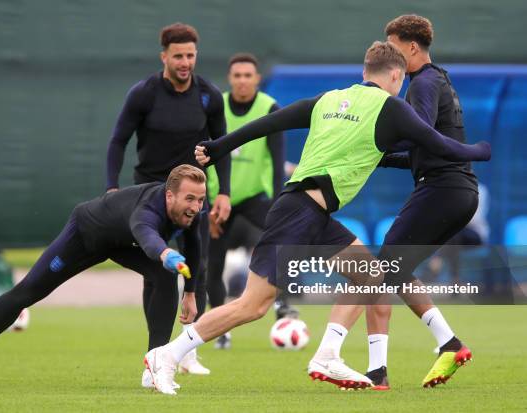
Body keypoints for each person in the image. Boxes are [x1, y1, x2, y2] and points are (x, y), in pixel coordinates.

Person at [142, 41, 491, 395]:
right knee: (253, 305)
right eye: (401, 81)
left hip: (309, 211)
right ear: (397, 75)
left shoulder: (330, 99)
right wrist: (477, 151)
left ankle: (327, 355)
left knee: (371, 275)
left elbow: (271, 122)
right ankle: (168, 355)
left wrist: (221, 146)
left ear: (364, 72)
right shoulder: (391, 107)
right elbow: (436, 142)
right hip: (298, 212)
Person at [0, 165, 205, 386]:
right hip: (86, 234)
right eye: (190, 198)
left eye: (201, 200)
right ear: (170, 196)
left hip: (120, 244)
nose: (195, 206)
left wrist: (190, 292)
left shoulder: (190, 215)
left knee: (165, 276)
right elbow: (145, 234)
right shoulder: (148, 208)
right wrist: (164, 253)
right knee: (27, 292)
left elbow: (195, 250)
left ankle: (155, 366)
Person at [353, 14, 482, 389]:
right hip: (456, 190)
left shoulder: (421, 84)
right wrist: (376, 157)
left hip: (443, 189)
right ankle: (449, 343)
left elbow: (417, 135)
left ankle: (378, 372)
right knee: (393, 271)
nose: (388, 56)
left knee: (378, 275)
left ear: (411, 48)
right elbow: (420, 147)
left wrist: (369, 143)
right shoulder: (436, 78)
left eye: (393, 48)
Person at [105, 22, 231, 375]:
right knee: (157, 273)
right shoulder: (144, 94)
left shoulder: (209, 96)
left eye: (191, 55)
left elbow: (222, 148)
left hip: (192, 196)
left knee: (198, 267)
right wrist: (112, 188)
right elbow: (118, 141)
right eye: (178, 56)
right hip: (149, 194)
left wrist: (224, 192)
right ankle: (158, 348)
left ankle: (188, 350)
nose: (185, 62)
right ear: (164, 56)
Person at [205, 52, 295, 350]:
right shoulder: (215, 107)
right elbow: (202, 157)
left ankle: (283, 307)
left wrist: (278, 203)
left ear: (257, 79)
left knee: (277, 247)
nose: (243, 80)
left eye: (248, 75)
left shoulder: (269, 107)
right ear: (230, 79)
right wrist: (206, 205)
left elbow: (277, 158)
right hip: (220, 200)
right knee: (213, 262)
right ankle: (220, 330)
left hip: (257, 198)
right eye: (237, 75)